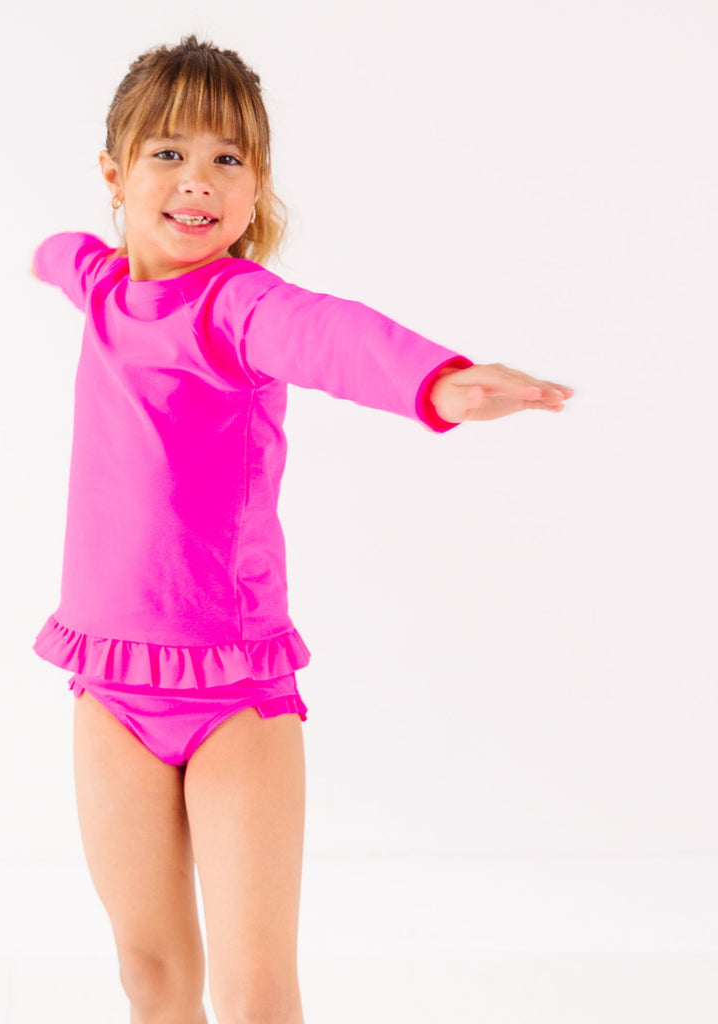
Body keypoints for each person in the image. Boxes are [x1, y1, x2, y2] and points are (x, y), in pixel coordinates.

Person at [31, 35, 573, 1024]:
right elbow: (62, 256)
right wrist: (48, 256)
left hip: (231, 696)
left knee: (254, 996)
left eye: (227, 158)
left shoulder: (236, 306)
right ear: (113, 173)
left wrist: (436, 382)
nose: (198, 179)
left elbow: (330, 335)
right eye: (168, 153)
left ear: (256, 187)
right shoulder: (100, 286)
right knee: (149, 972)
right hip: (109, 688)